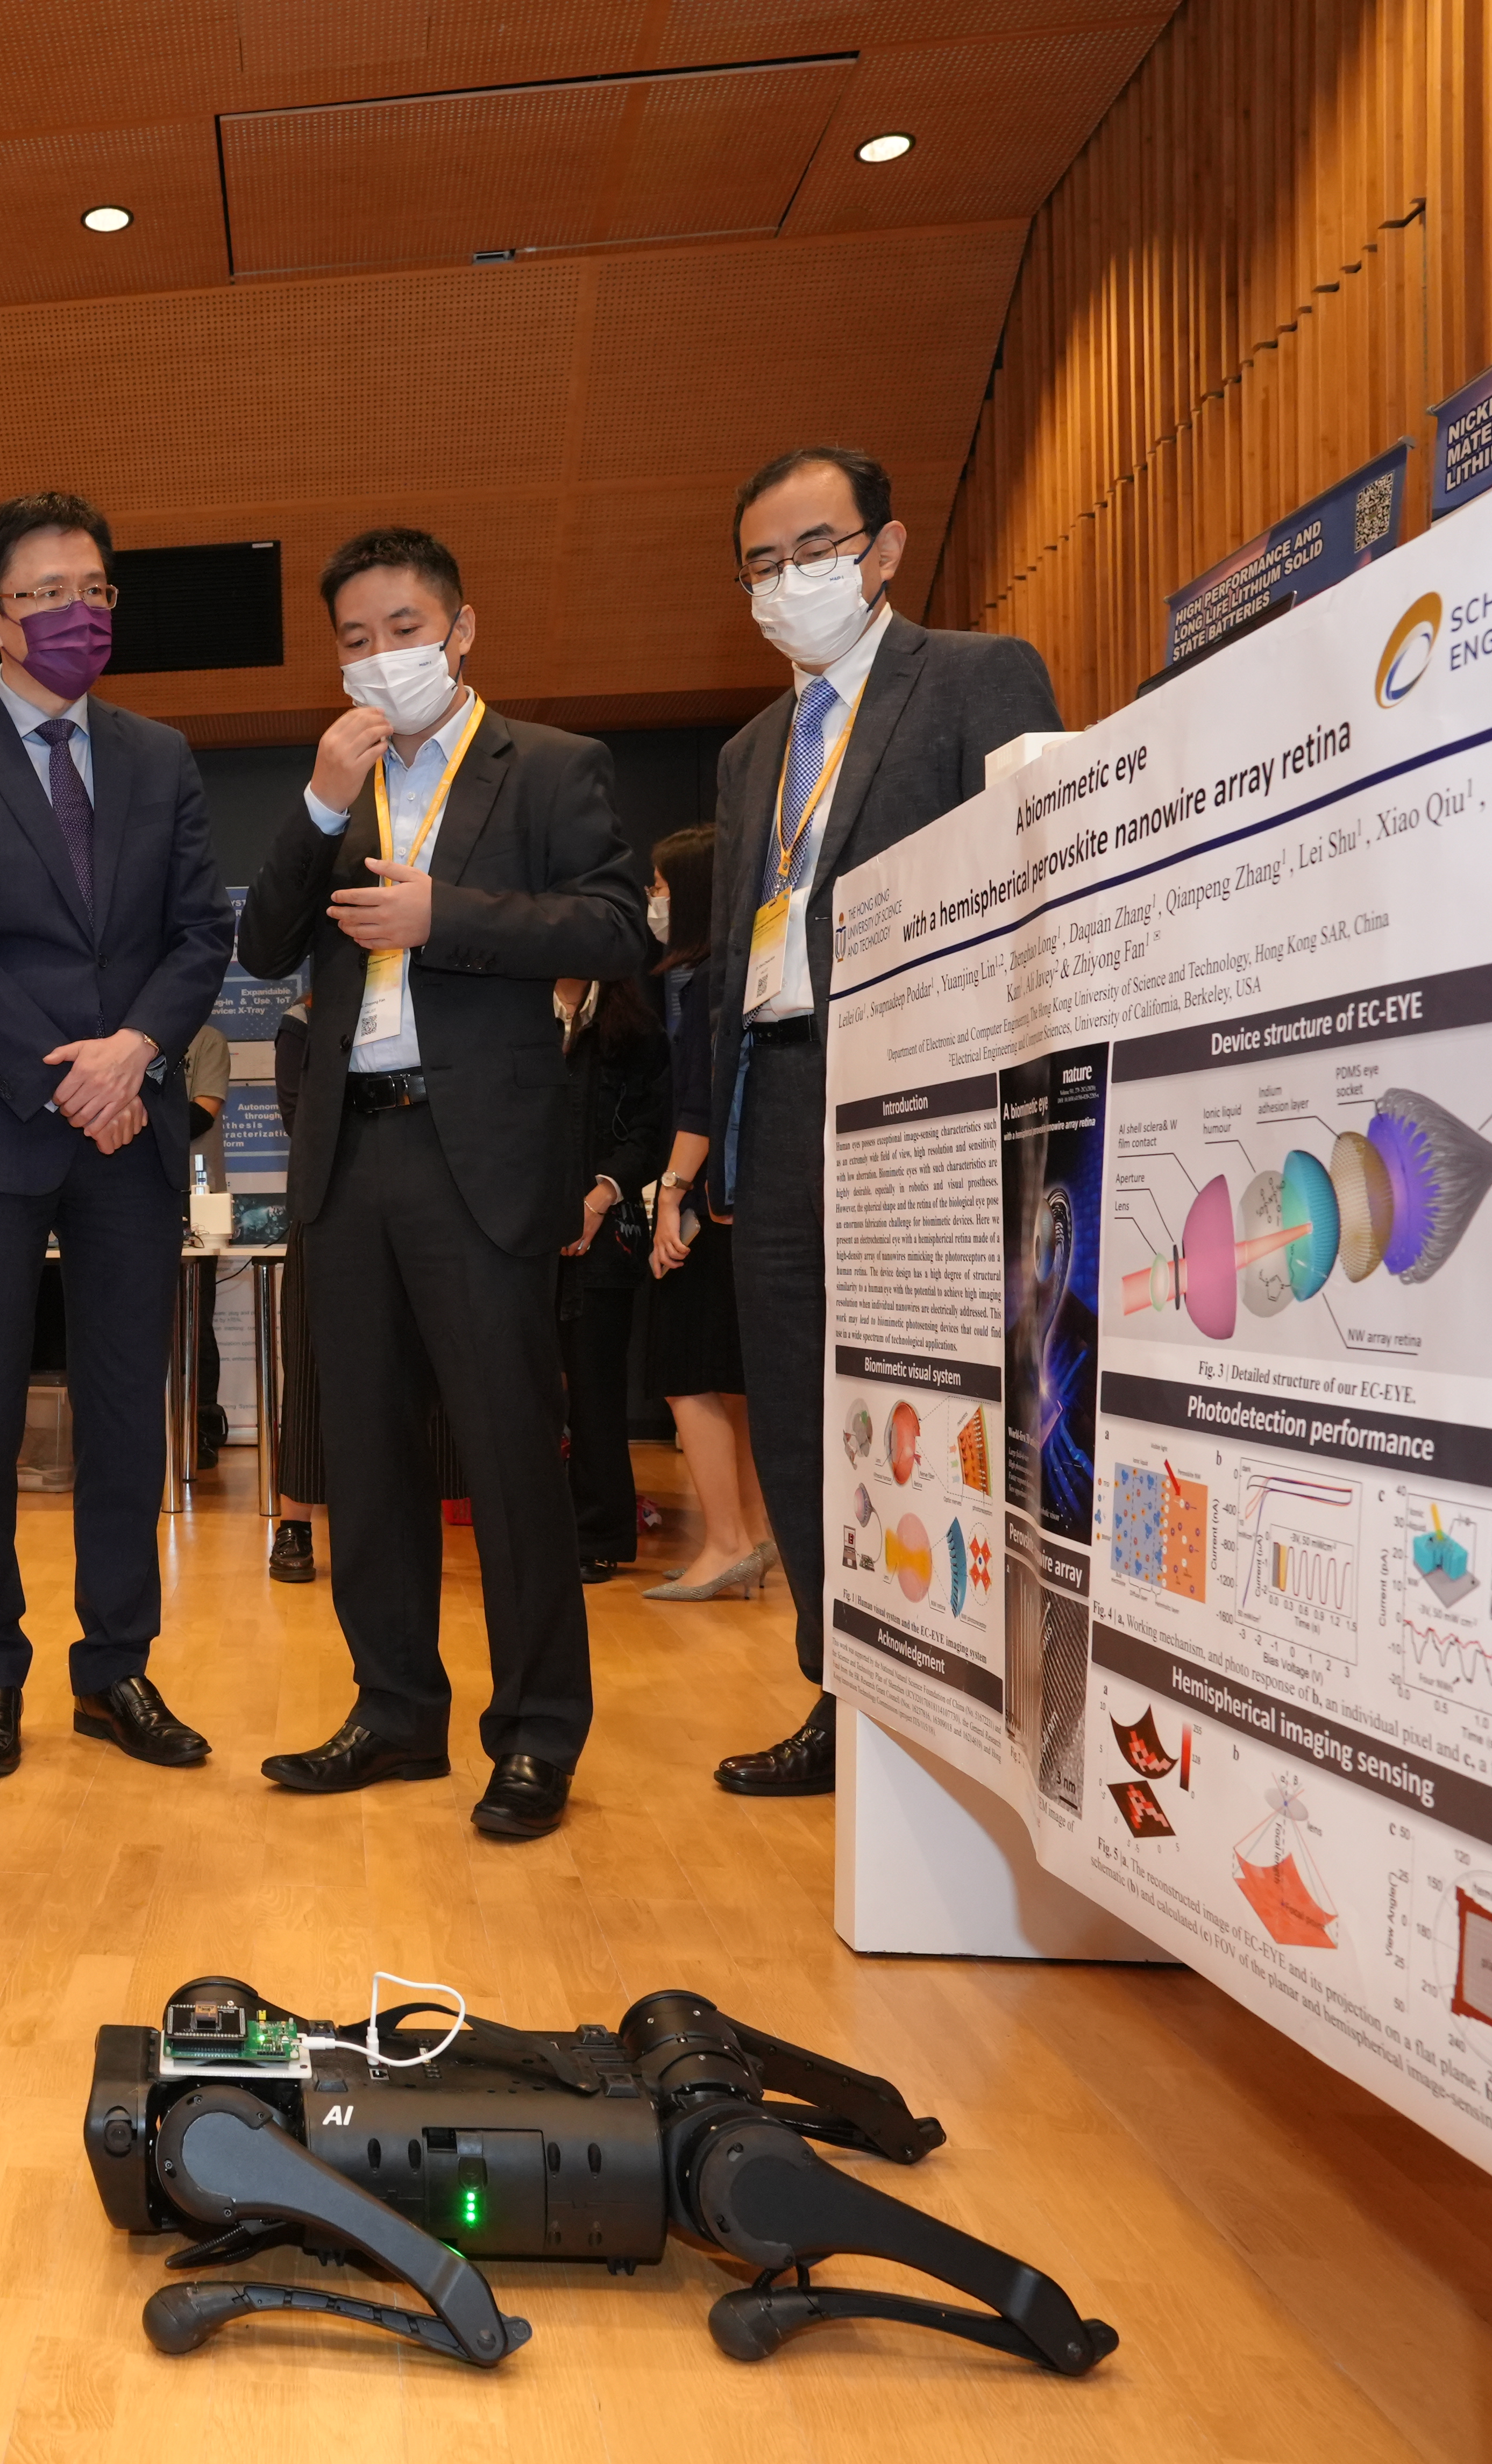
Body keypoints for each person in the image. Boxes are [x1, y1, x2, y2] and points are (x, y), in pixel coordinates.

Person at [236, 526, 649, 1841]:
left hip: (481, 1150)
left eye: (404, 629)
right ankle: (395, 1709)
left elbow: (618, 924)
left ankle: (534, 1736)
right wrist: (312, 803)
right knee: (362, 1446)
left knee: (512, 1451)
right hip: (349, 1150)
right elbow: (261, 944)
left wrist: (446, 919)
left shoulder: (553, 767)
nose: (381, 657)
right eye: (355, 639)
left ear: (460, 632)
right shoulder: (340, 782)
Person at [704, 446, 1061, 1797]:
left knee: (938, 1403)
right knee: (799, 1416)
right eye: (762, 561)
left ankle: (959, 1698)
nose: (790, 579)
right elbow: (729, 961)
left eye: (815, 547)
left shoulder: (976, 677)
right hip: (776, 1096)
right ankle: (837, 1693)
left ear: (886, 547)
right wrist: (699, 1145)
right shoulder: (750, 754)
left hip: (919, 1106)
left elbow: (1030, 887)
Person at [0, 490, 232, 1779]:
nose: (80, 614)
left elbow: (202, 931)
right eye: (47, 595)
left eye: (96, 591)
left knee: (126, 1412)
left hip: (130, 1125)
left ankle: (117, 1669)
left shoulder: (159, 754)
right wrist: (65, 1078)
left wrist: (134, 1053)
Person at [636, 827, 774, 1603]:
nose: (652, 901)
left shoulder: (703, 982)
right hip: (744, 1204)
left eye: (659, 886)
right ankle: (750, 1537)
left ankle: (724, 1541)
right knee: (732, 1382)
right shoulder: (741, 971)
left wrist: (670, 1196)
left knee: (685, 1375)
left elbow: (699, 1107)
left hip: (707, 1204)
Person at [555, 957, 667, 1585]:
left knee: (596, 1391)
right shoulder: (511, 1016)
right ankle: (537, 1528)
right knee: (526, 1391)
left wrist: (597, 1201)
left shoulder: (636, 1028)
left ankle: (598, 1534)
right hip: (520, 1233)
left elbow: (651, 1135)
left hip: (609, 1233)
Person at [263, 1000, 326, 1582]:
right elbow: (298, 1120)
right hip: (325, 1207)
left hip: (413, 1203)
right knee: (307, 1368)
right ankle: (295, 1525)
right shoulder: (301, 1022)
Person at [185, 1022, 232, 1468]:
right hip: (134, 1198)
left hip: (197, 1202)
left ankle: (200, 1426)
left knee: (196, 1320)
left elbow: (201, 1113)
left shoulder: (208, 1040)